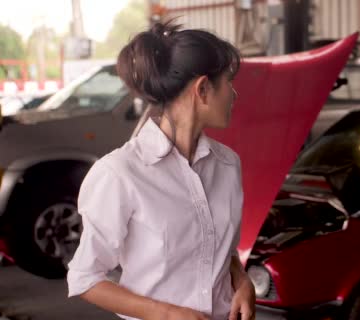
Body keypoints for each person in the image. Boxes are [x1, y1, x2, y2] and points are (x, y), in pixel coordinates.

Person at [66, 21, 255, 320]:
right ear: (203, 89)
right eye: (228, 82)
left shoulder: (228, 164)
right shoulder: (119, 174)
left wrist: (242, 282)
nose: (233, 94)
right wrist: (167, 314)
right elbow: (84, 279)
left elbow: (218, 249)